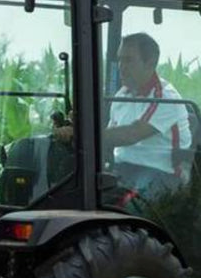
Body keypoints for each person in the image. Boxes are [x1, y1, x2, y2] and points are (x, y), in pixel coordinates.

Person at [53, 32, 192, 198]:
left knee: (123, 209)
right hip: (123, 169)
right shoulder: (122, 95)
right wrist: (76, 128)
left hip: (162, 174)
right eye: (120, 60)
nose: (121, 66)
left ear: (150, 63)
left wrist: (81, 134)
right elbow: (108, 138)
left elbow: (130, 134)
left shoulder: (165, 98)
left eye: (128, 60)